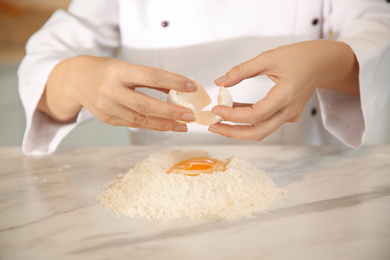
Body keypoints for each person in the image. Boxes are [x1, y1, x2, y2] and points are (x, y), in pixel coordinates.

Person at [18, 0, 390, 155]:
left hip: (300, 175)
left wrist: (324, 62)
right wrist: (75, 79)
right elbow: (42, 65)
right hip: (166, 180)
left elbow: (377, 28)